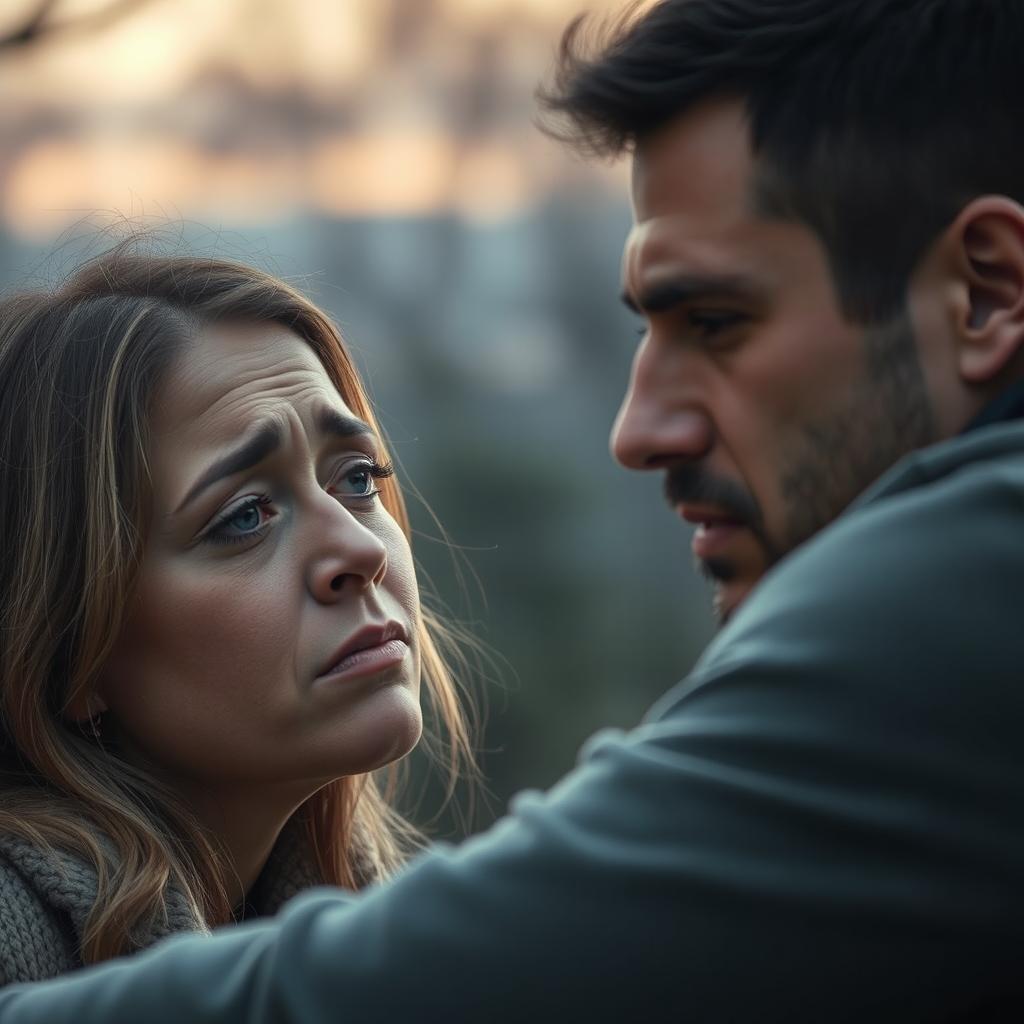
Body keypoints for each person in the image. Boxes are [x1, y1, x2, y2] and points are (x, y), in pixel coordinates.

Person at [2, 0, 1024, 1019]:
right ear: (66, 642)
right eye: (241, 517)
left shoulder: (972, 605)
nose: (638, 429)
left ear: (984, 293)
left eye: (717, 322)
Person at [0, 245, 474, 983]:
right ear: (71, 655)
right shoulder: (17, 952)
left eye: (358, 477)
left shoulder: (362, 918)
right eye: (247, 516)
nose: (359, 549)